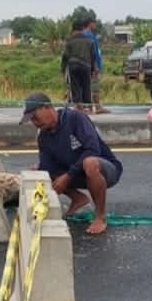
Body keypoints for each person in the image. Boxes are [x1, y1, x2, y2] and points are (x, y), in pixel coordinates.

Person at [19, 92, 123, 235]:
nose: (35, 123)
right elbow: (46, 167)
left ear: (47, 107)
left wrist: (67, 176)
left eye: (35, 117)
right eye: (32, 120)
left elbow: (93, 149)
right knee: (39, 170)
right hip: (77, 173)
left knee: (90, 162)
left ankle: (100, 216)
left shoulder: (75, 118)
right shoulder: (43, 137)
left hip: (104, 170)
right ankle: (78, 198)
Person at [61, 21, 96, 112]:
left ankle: (79, 107)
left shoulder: (69, 41)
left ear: (73, 30)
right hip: (86, 66)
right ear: (82, 29)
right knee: (86, 85)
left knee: (75, 85)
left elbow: (65, 56)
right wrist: (93, 70)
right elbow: (93, 56)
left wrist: (63, 69)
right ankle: (88, 106)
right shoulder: (89, 41)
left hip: (74, 66)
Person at [82, 18, 110, 114]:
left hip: (89, 64)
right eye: (94, 23)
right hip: (91, 66)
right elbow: (92, 52)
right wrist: (95, 66)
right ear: (90, 24)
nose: (95, 25)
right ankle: (96, 107)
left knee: (89, 86)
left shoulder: (90, 34)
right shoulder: (88, 35)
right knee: (94, 87)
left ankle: (91, 107)